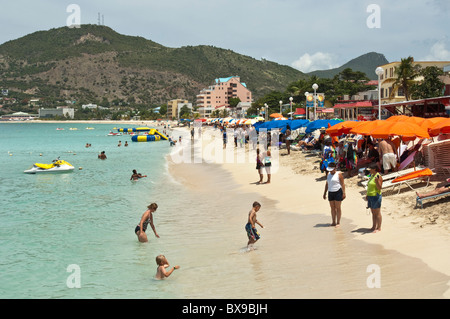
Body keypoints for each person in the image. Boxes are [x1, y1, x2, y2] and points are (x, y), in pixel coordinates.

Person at [323, 162, 346, 227]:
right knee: (332, 208)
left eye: (331, 169)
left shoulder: (339, 174)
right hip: (330, 192)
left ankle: (338, 222)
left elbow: (342, 184)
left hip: (338, 191)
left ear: (335, 168)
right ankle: (333, 221)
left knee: (338, 207)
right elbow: (327, 184)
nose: (330, 171)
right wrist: (325, 193)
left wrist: (344, 193)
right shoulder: (328, 175)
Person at [366, 163, 383, 233]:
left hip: (376, 196)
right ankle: (373, 226)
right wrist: (367, 195)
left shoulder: (378, 176)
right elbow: (369, 186)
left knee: (377, 212)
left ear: (374, 169)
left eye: (370, 170)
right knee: (373, 212)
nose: (369, 171)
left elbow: (380, 187)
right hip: (370, 195)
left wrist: (376, 182)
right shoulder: (372, 176)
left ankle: (378, 227)